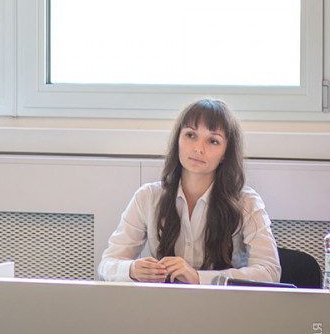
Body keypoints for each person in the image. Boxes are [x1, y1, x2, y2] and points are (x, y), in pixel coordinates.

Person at [98, 98, 281, 284]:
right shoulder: (147, 197)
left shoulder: (247, 202)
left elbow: (270, 271)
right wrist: (132, 270)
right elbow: (106, 265)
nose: (198, 149)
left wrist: (198, 277)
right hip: (166, 300)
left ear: (226, 153)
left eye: (213, 141)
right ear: (177, 140)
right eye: (190, 135)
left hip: (225, 301)